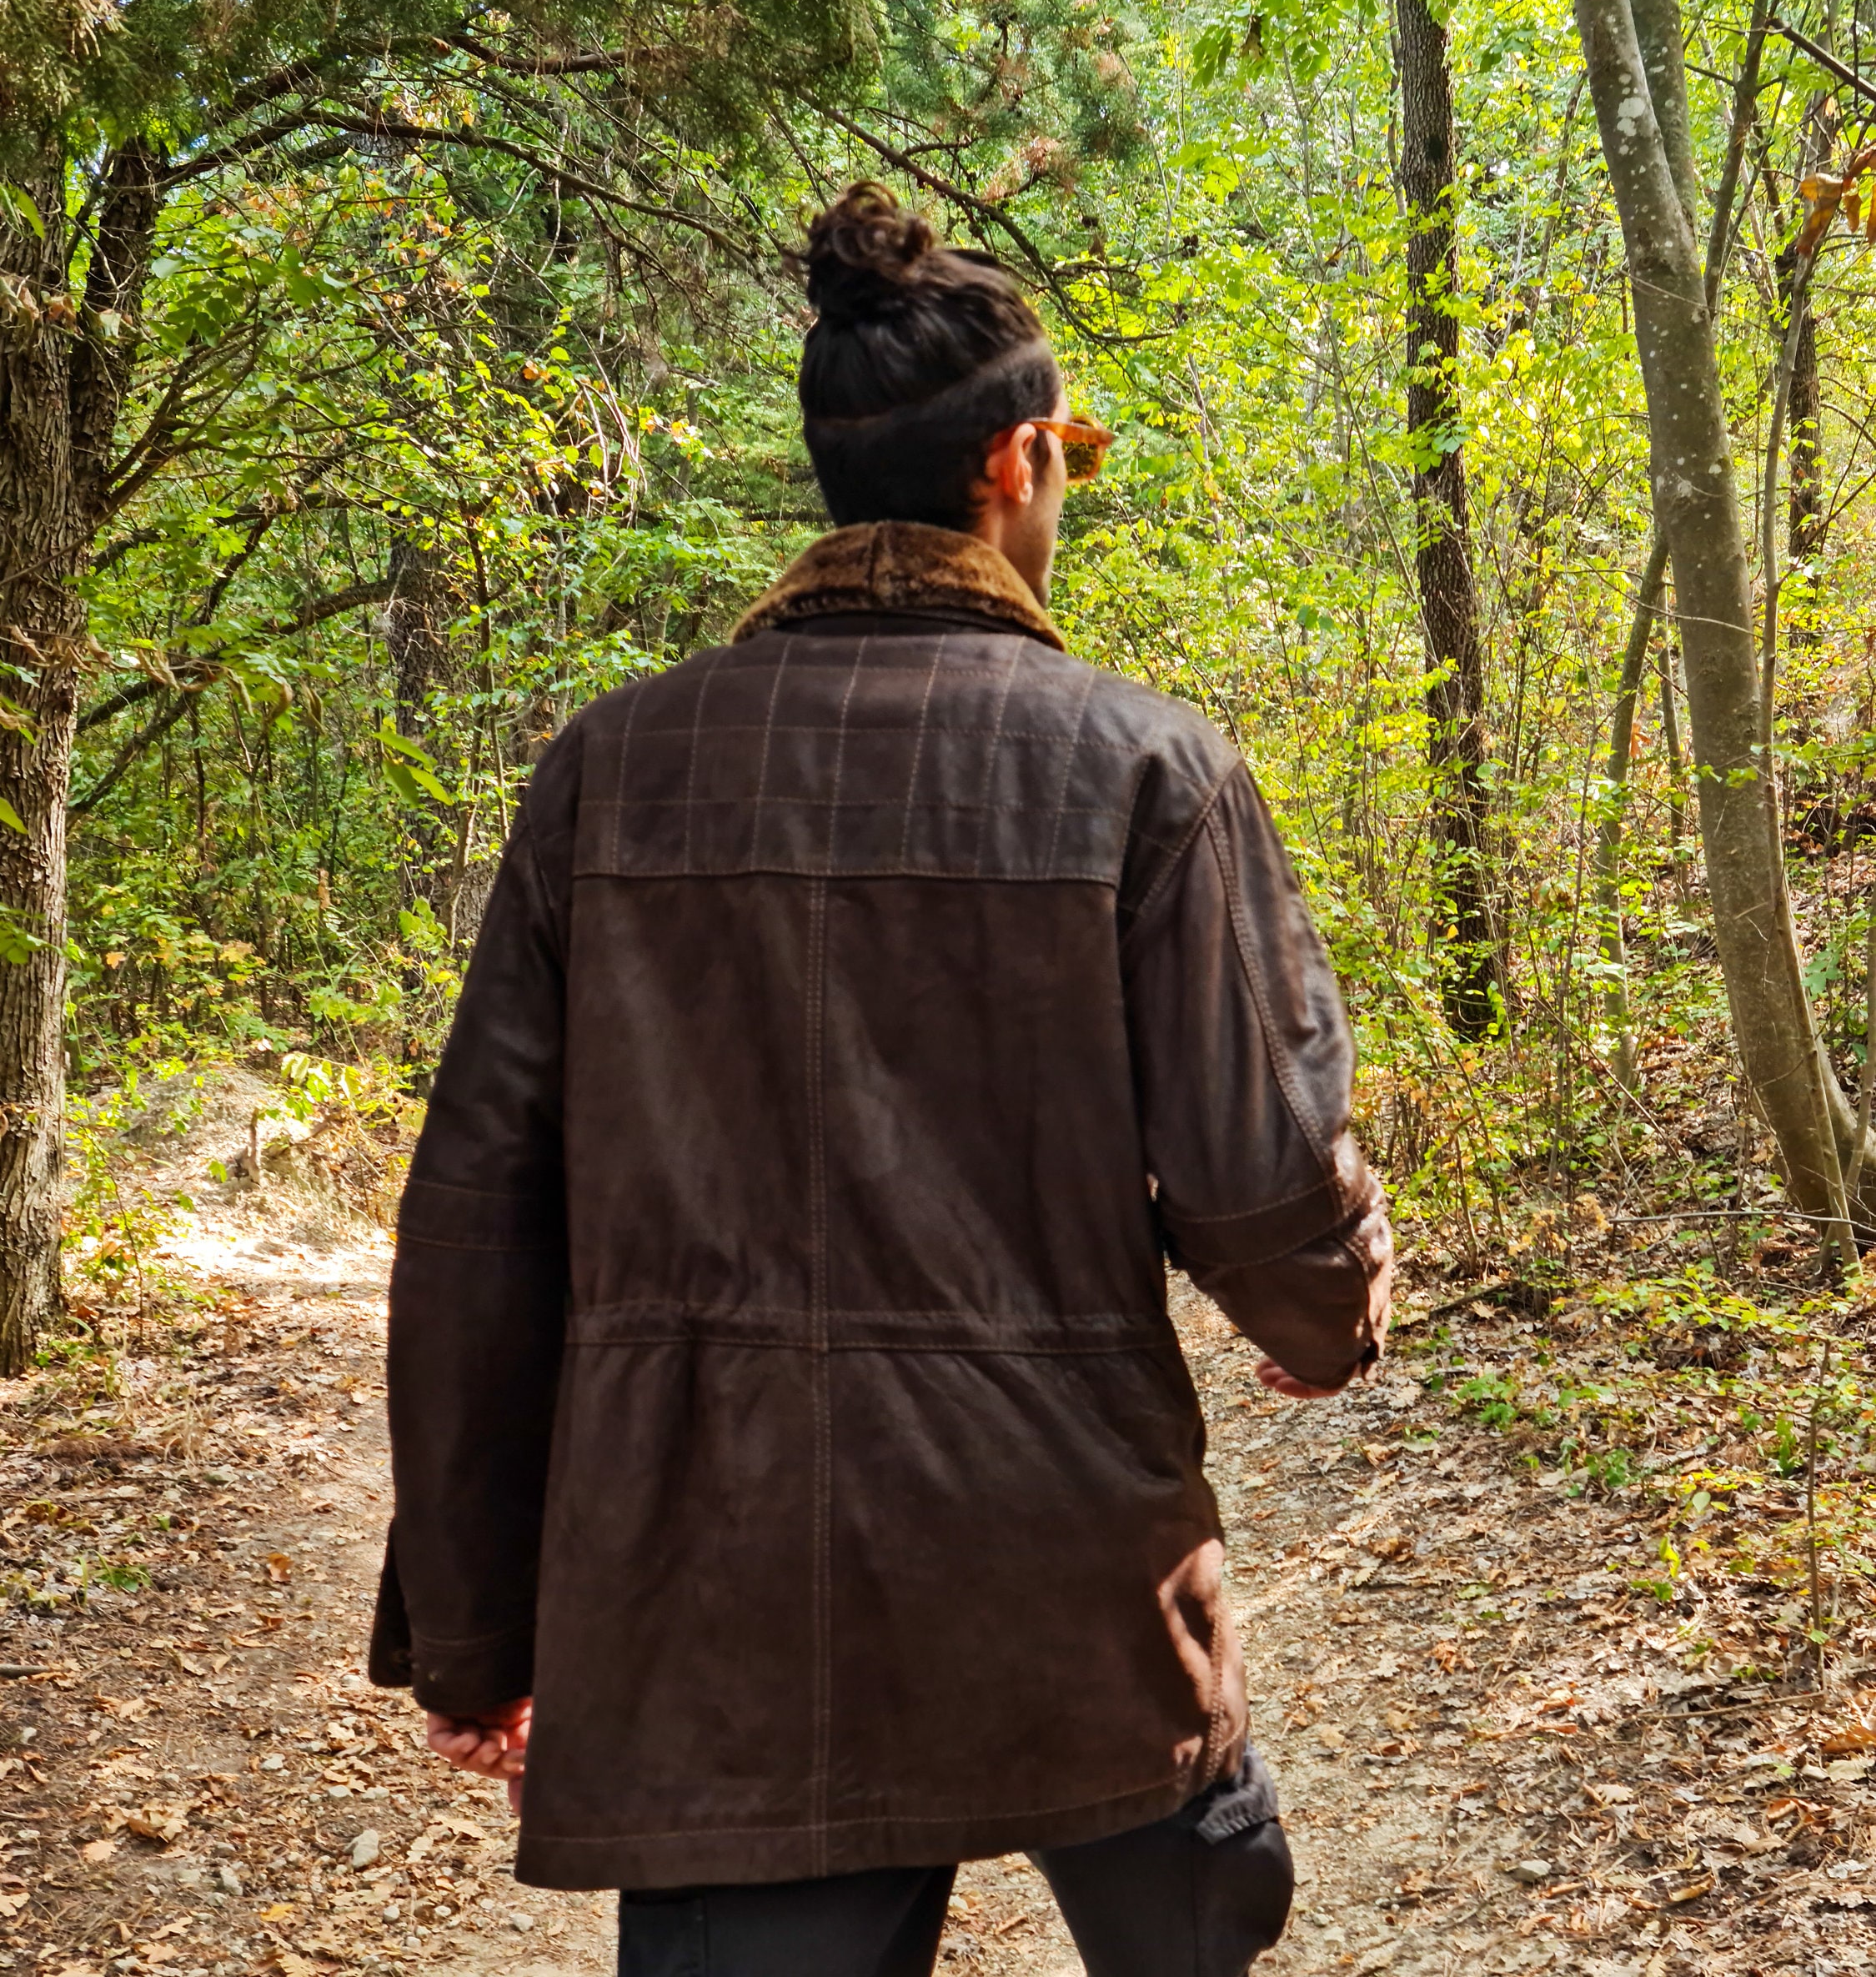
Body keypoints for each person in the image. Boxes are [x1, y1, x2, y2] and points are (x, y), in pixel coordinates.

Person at [369, 182, 1393, 1977]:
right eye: (1071, 454)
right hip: (1073, 1551)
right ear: (1012, 467)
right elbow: (1263, 1164)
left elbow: (478, 1222)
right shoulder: (1145, 769)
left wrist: (476, 1625)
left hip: (723, 1592)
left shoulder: (610, 776)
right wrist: (1328, 1319)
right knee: (1204, 1912)